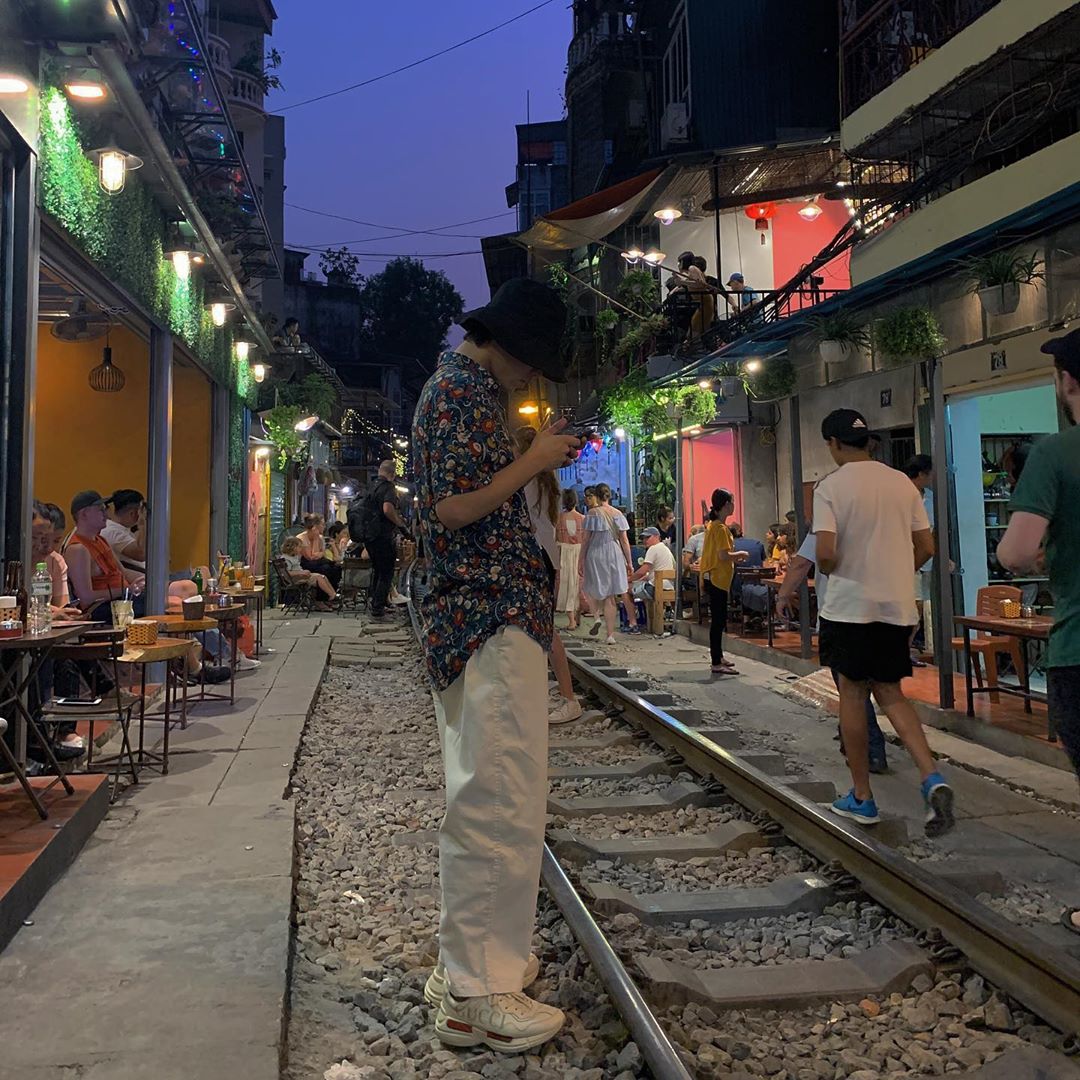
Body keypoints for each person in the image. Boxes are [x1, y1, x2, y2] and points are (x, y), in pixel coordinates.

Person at [413, 278, 577, 1050]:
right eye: (532, 360)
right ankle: (479, 990)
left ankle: (469, 968)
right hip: (490, 610)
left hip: (476, 613)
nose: (532, 376)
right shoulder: (464, 392)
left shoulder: (452, 387)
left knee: (488, 791)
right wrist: (534, 458)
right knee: (501, 798)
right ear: (508, 343)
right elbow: (454, 506)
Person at [814, 408, 954, 836]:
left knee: (853, 695)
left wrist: (842, 567)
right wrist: (895, 574)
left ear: (834, 444)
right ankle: (931, 776)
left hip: (849, 609)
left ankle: (862, 796)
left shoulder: (830, 487)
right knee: (892, 693)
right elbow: (926, 546)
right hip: (895, 608)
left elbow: (825, 554)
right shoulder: (901, 483)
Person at [997, 327, 1080, 935]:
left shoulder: (1056, 454)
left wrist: (1042, 549)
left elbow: (1016, 552)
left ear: (1067, 381)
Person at [776, 528, 889, 773]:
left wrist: (783, 595)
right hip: (875, 612)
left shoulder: (825, 528)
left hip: (840, 616)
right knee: (865, 684)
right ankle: (850, 737)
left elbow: (801, 564)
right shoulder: (870, 524)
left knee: (852, 689)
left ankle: (872, 751)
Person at [514, 428, 582, 726]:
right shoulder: (547, 481)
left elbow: (522, 519)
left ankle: (568, 698)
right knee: (542, 628)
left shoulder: (527, 478)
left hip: (533, 555)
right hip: (546, 554)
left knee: (542, 629)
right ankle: (560, 696)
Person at [699, 488, 750, 675]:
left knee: (719, 620)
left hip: (714, 577)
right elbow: (723, 555)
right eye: (732, 502)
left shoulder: (713, 525)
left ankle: (719, 656)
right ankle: (716, 661)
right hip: (718, 578)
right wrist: (740, 554)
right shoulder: (720, 528)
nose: (733, 505)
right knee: (718, 621)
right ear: (727, 505)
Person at [582, 483, 638, 643]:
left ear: (597, 496)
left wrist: (580, 559)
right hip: (614, 553)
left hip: (595, 553)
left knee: (589, 587)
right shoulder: (618, 514)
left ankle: (596, 616)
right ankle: (610, 635)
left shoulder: (592, 514)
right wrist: (629, 562)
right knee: (610, 596)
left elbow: (585, 540)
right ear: (609, 496)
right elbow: (625, 541)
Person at [356, 460, 408, 617]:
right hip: (382, 535)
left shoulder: (370, 487)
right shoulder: (388, 487)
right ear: (392, 474)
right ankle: (378, 607)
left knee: (378, 569)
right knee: (386, 571)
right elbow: (387, 509)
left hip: (369, 536)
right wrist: (400, 524)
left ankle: (378, 602)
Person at [903, 454, 935, 665]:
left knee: (920, 607)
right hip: (907, 559)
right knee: (911, 608)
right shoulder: (901, 495)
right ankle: (901, 651)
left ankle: (904, 650)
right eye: (929, 474)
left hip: (926, 560)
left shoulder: (930, 498)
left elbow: (934, 530)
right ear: (922, 474)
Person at [556, 488, 585, 630]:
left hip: (564, 552)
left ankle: (572, 620)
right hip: (579, 551)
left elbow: (555, 538)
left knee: (567, 585)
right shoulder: (582, 518)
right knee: (578, 584)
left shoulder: (559, 518)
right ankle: (577, 617)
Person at [280, 535, 337, 606]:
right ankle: (331, 595)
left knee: (323, 576)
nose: (301, 549)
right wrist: (301, 572)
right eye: (299, 547)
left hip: (301, 576)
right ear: (293, 547)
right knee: (319, 577)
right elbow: (287, 572)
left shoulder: (294, 556)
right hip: (295, 579)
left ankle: (333, 594)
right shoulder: (286, 559)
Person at [629, 526, 676, 602]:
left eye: (648, 537)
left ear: (657, 537)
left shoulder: (653, 548)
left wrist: (628, 579)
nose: (645, 540)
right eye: (643, 538)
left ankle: (631, 610)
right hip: (669, 586)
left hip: (656, 587)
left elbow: (642, 571)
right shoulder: (666, 549)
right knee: (641, 585)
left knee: (626, 589)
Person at [298, 513, 343, 593]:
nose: (324, 527)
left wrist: (320, 553)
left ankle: (332, 594)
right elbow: (311, 557)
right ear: (315, 526)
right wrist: (316, 538)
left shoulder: (321, 538)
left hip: (318, 562)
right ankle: (323, 596)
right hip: (305, 564)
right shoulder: (302, 538)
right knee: (326, 569)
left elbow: (322, 553)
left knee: (337, 568)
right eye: (322, 524)